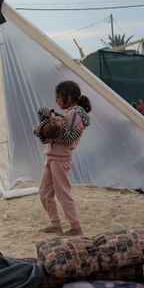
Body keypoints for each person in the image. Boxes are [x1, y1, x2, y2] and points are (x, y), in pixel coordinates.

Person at [34, 80, 92, 236]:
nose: (56, 101)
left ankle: (75, 226)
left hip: (60, 157)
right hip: (52, 155)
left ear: (67, 98)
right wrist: (46, 128)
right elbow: (57, 127)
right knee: (45, 192)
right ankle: (55, 224)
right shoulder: (70, 114)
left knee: (63, 193)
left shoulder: (75, 114)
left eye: (58, 97)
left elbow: (67, 137)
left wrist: (45, 131)